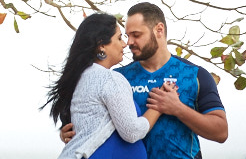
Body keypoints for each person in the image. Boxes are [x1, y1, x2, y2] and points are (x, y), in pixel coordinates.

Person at [60, 2, 228, 159]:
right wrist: (70, 133)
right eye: (126, 36)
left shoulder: (195, 75)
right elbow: (87, 115)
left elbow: (221, 132)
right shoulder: (117, 77)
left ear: (159, 30)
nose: (129, 42)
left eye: (136, 35)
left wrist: (178, 109)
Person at [45, 12, 175, 159]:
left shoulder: (81, 77)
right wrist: (158, 106)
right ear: (102, 46)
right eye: (119, 38)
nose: (125, 44)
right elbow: (132, 132)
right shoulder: (109, 79)